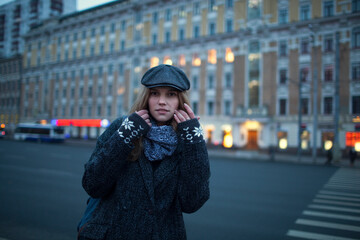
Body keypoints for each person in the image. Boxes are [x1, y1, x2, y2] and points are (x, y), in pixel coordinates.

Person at [77, 64, 210, 240]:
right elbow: (92, 184)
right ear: (146, 97)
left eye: (170, 94)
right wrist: (124, 136)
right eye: (155, 93)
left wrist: (195, 142)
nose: (162, 101)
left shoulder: (186, 139)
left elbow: (192, 203)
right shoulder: (123, 126)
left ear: (180, 101)